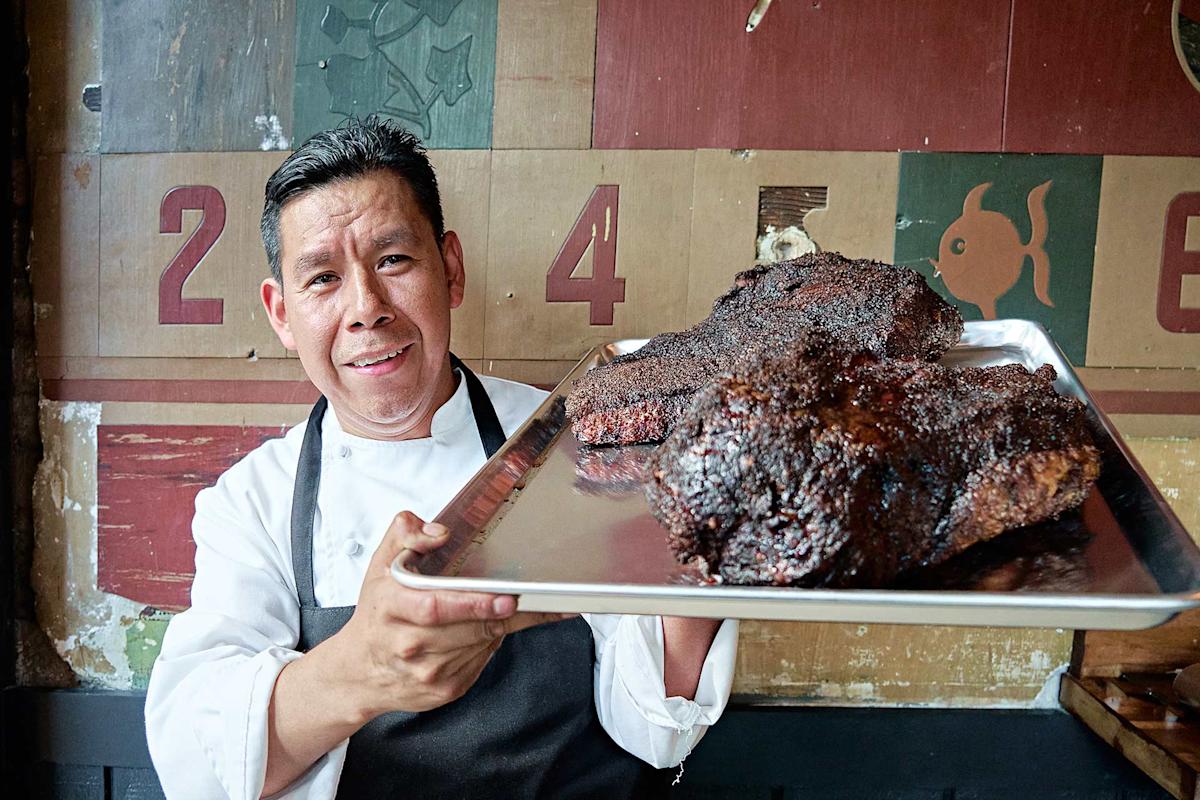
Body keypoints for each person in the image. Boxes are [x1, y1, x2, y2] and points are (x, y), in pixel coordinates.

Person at [144, 117, 738, 799]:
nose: (366, 309)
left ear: (450, 269)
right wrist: (363, 667)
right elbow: (202, 767)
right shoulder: (252, 504)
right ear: (281, 313)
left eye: (393, 260)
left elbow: (657, 731)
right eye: (323, 278)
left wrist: (701, 539)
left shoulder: (572, 441)